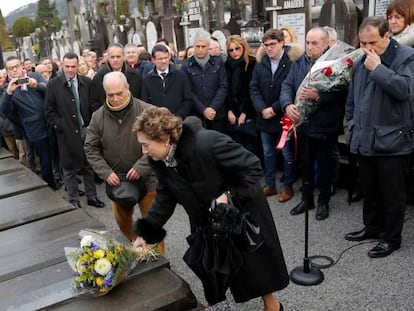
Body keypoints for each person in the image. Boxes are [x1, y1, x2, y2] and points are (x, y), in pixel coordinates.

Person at [132, 106, 288, 310]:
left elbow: (252, 167)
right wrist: (146, 233)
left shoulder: (207, 142)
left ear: (165, 139)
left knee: (253, 267)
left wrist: (228, 196)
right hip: (204, 221)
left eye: (146, 145)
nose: (144, 151)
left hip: (237, 213)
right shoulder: (162, 162)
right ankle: (217, 306)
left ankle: (273, 306)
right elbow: (165, 197)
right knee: (211, 269)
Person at [344, 16, 414, 258]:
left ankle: (391, 238)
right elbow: (352, 99)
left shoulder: (406, 56)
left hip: (393, 139)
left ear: (387, 36)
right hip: (365, 136)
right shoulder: (360, 60)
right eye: (362, 43)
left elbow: (405, 90)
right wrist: (351, 123)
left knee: (392, 193)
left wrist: (379, 69)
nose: (366, 48)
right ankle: (372, 227)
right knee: (369, 187)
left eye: (372, 42)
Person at [84, 72, 161, 248]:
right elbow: (90, 148)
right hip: (118, 182)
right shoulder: (98, 117)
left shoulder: (147, 111)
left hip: (149, 180)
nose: (116, 98)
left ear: (128, 88)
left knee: (153, 228)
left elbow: (159, 141)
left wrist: (142, 166)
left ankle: (158, 262)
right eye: (110, 95)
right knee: (124, 223)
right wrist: (106, 172)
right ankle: (137, 246)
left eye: (119, 93)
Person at [280, 27, 347, 220]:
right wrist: (287, 105)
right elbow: (287, 85)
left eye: (314, 43)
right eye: (307, 43)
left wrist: (320, 96)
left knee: (325, 165)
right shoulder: (299, 62)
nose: (309, 47)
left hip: (325, 124)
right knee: (306, 164)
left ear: (327, 44)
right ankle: (307, 199)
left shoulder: (336, 64)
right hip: (303, 124)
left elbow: (342, 91)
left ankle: (323, 201)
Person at [46, 52, 105, 209]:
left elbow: (93, 106)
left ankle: (92, 197)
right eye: (67, 67)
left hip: (86, 130)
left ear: (78, 66)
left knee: (88, 165)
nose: (70, 70)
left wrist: (93, 125)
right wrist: (60, 126)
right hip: (66, 133)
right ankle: (73, 200)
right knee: (69, 168)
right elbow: (49, 111)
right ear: (62, 66)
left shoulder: (87, 82)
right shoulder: (54, 84)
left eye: (73, 66)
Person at [250, 29, 300, 202]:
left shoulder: (292, 63)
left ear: (282, 44)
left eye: (273, 44)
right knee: (268, 153)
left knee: (286, 154)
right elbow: (254, 88)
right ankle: (270, 184)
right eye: (266, 45)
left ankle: (288, 186)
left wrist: (274, 108)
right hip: (264, 117)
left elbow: (291, 89)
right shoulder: (261, 63)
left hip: (282, 117)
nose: (269, 48)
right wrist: (262, 108)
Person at [0, 56, 55, 189]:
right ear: (7, 71)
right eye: (11, 68)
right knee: (45, 159)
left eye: (17, 66)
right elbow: (3, 111)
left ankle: (59, 178)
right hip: (34, 130)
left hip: (51, 122)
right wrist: (9, 92)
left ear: (22, 67)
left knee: (56, 155)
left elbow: (50, 91)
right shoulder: (8, 89)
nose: (15, 70)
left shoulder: (34, 76)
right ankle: (51, 186)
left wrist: (36, 85)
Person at [181, 30, 228, 133]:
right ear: (193, 46)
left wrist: (213, 107)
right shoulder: (186, 66)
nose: (200, 50)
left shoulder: (218, 62)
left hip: (217, 113)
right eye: (197, 46)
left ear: (208, 46)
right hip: (197, 115)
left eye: (204, 46)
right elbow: (188, 91)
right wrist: (203, 110)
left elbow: (223, 86)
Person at [224, 35, 260, 158]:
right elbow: (226, 90)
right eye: (231, 50)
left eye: (237, 48)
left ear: (243, 47)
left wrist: (245, 112)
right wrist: (229, 110)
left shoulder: (252, 63)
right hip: (232, 109)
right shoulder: (226, 65)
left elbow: (252, 90)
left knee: (250, 147)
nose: (234, 52)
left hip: (249, 110)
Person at [141, 44, 193, 119]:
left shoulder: (181, 76)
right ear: (153, 60)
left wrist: (178, 116)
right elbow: (145, 103)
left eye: (166, 58)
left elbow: (188, 99)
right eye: (160, 59)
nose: (164, 61)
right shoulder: (147, 80)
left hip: (179, 121)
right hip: (158, 123)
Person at [91, 43, 142, 112]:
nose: (115, 60)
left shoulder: (135, 75)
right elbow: (96, 103)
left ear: (124, 57)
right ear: (107, 58)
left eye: (118, 57)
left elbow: (140, 98)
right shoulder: (99, 77)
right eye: (112, 57)